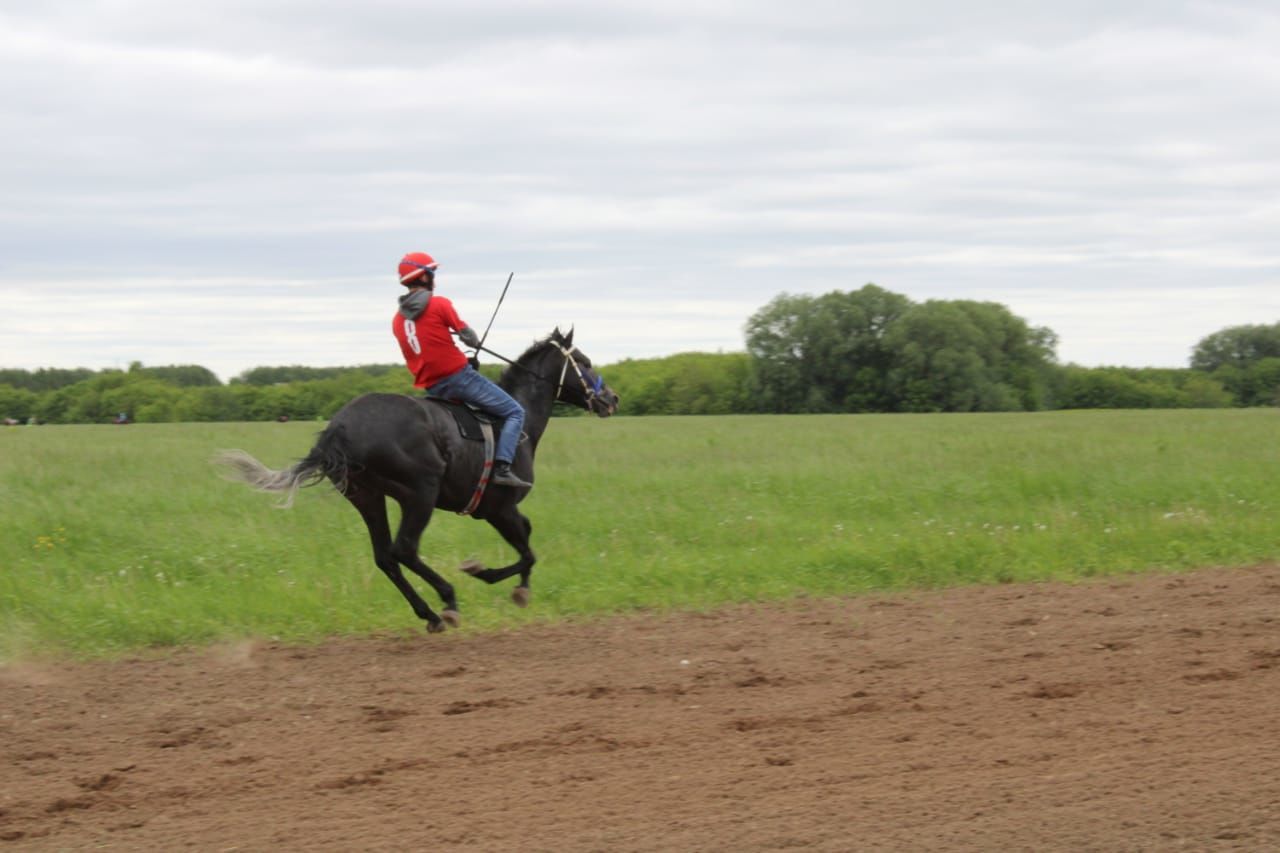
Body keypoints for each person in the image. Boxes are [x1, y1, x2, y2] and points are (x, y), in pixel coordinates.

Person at [392, 251, 532, 488]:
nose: (434, 278)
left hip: (433, 386)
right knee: (515, 412)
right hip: (459, 379)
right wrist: (474, 344)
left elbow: (424, 352)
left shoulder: (397, 320)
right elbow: (468, 336)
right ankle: (503, 468)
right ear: (424, 277)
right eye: (432, 273)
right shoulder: (439, 304)